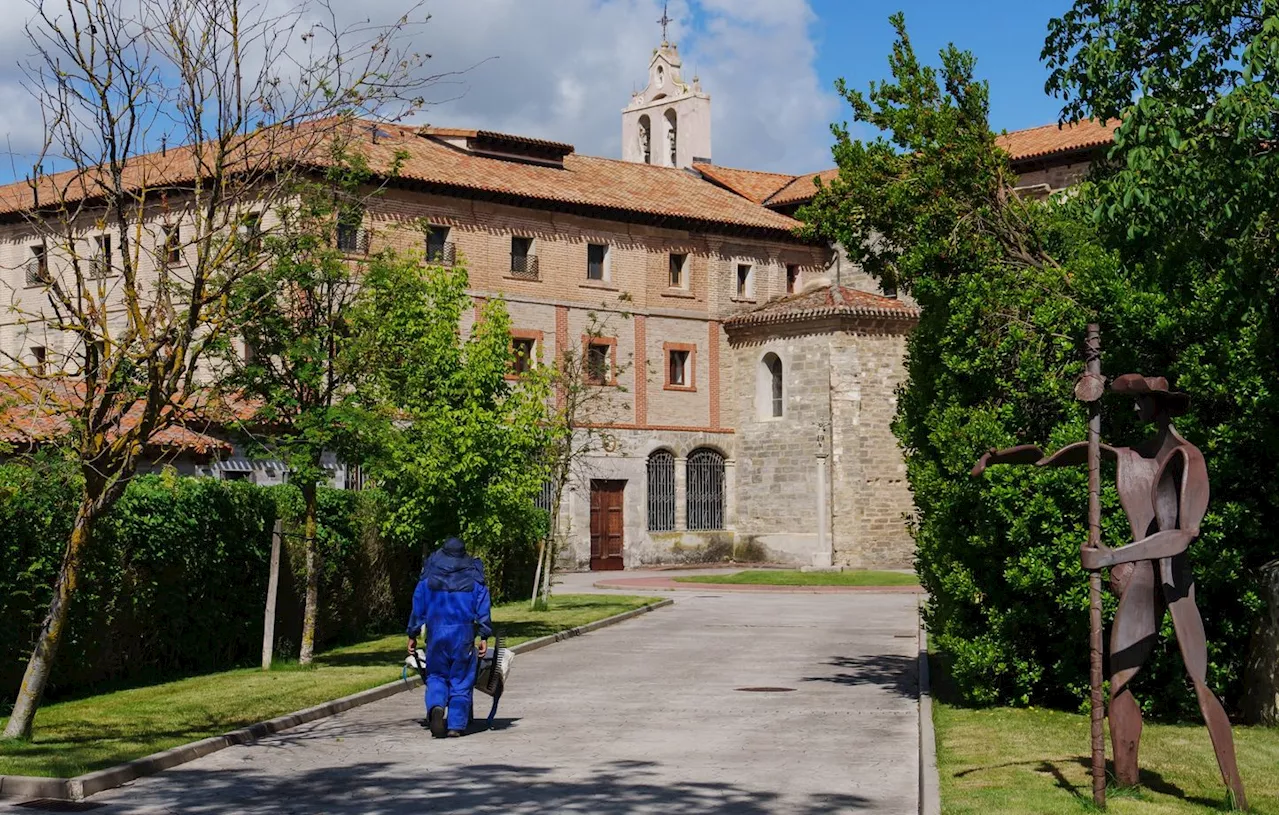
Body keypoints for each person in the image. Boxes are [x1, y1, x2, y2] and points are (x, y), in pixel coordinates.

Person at [972, 374, 1247, 808]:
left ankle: (1236, 795)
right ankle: (1125, 781)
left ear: (1159, 405)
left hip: (1174, 584)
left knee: (1199, 681)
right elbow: (1063, 456)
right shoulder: (1131, 457)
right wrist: (998, 457)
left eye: (1140, 402)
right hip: (1139, 583)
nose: (1135, 409)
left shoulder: (1186, 457)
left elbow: (1183, 535)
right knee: (1118, 684)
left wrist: (1110, 557)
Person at [406, 536, 493, 738]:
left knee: (436, 675)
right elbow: (483, 608)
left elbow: (417, 608)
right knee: (461, 679)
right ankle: (455, 725)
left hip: (436, 634)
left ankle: (436, 706)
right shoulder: (474, 577)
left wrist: (413, 634)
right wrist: (484, 636)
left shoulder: (428, 578)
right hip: (463, 635)